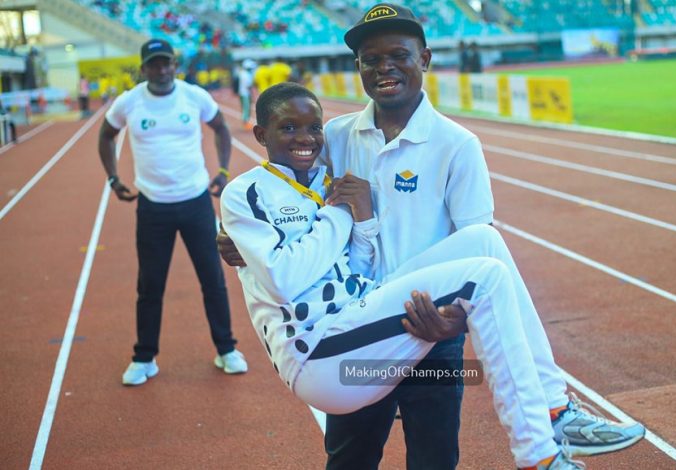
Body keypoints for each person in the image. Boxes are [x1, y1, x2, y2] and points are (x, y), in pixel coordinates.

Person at [217, 4, 644, 468]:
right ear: (358, 68)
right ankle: (545, 435)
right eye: (370, 59)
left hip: (431, 327)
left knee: (436, 456)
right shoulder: (335, 137)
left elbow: (474, 237)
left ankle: (554, 409)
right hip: (354, 323)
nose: (385, 68)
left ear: (424, 59)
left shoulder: (457, 145)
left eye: (398, 55)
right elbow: (286, 186)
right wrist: (236, 237)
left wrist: (454, 324)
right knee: (351, 459)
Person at [98, 38, 248, 386]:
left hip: (195, 201)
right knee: (150, 285)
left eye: (166, 63)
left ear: (174, 65)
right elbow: (105, 135)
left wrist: (223, 171)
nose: (161, 69)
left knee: (212, 280)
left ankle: (226, 349)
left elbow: (221, 129)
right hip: (152, 207)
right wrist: (112, 178)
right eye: (154, 64)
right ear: (144, 68)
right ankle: (144, 357)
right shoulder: (130, 102)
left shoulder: (193, 96)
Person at [238, 59, 256, 130]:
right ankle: (245, 124)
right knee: (246, 108)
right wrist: (252, 95)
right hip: (245, 94)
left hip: (242, 93)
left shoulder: (242, 73)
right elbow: (249, 86)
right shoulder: (246, 75)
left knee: (245, 108)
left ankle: (246, 123)